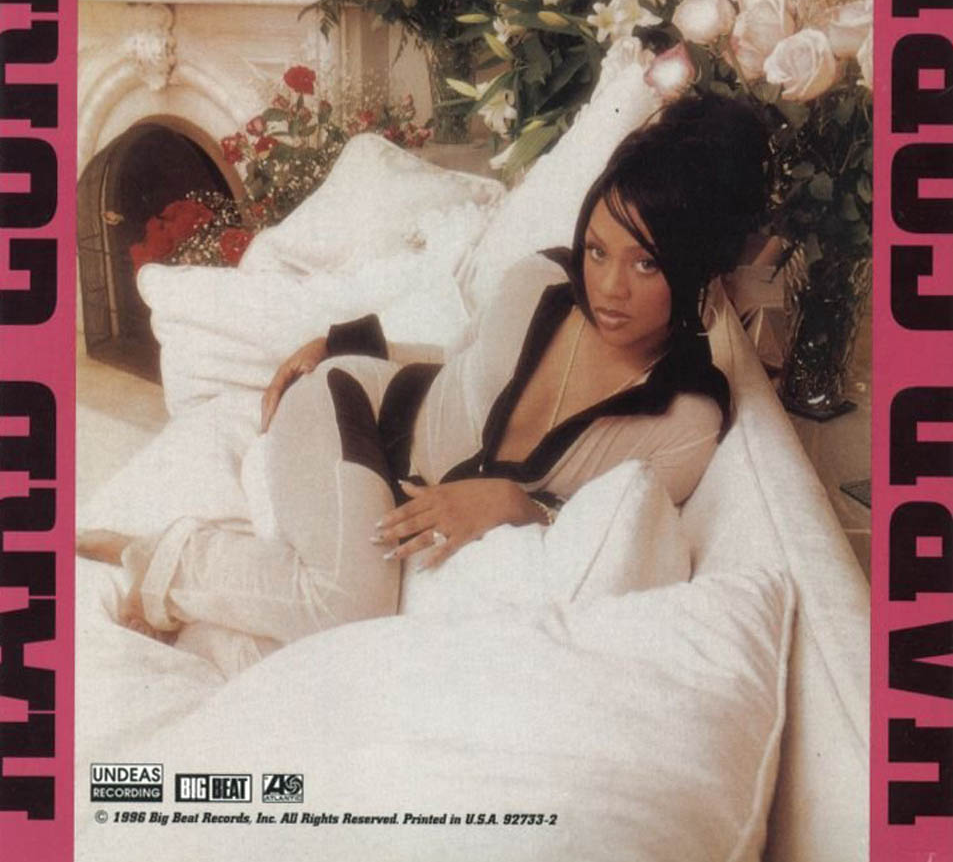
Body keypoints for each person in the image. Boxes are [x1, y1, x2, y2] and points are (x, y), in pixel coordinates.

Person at [78, 93, 769, 657]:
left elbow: (603, 517)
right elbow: (458, 359)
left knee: (334, 629)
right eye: (596, 250)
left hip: (395, 503)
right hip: (351, 411)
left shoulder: (684, 420)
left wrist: (519, 504)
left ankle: (181, 586)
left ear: (695, 264)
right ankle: (160, 557)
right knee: (346, 609)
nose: (609, 286)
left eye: (645, 263)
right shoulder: (540, 283)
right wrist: (337, 342)